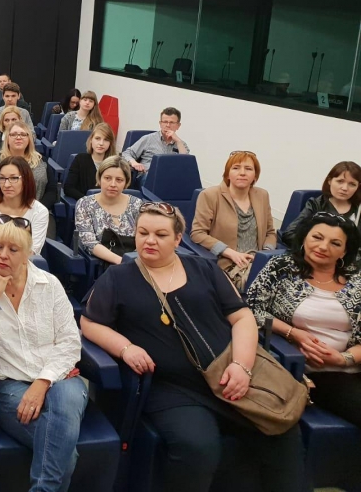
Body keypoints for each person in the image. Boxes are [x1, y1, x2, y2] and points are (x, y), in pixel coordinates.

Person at [81, 203, 304, 492]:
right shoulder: (118, 277)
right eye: (143, 233)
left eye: (161, 234)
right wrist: (125, 348)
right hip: (170, 387)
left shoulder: (204, 268)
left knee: (281, 429)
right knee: (198, 447)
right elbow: (90, 323)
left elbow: (242, 317)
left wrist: (241, 365)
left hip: (227, 373)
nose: (149, 240)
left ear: (178, 239)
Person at [0, 221, 87, 492]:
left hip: (58, 377)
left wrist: (43, 381)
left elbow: (70, 342)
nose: (2, 255)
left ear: (29, 253)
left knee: (67, 401)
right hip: (5, 383)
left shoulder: (49, 285)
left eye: (13, 249)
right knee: (64, 452)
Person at [246, 212, 361, 427]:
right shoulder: (282, 268)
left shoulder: (356, 280)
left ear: (344, 251)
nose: (323, 247)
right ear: (305, 237)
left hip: (352, 365)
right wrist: (293, 333)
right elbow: (251, 309)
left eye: (335, 243)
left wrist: (344, 358)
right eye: (317, 237)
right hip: (318, 373)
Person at [191, 151, 278, 287]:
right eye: (236, 168)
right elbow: (197, 233)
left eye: (248, 169)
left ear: (255, 176)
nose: (242, 173)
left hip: (258, 264)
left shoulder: (262, 195)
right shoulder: (210, 195)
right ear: (227, 174)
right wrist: (229, 252)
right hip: (228, 266)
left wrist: (265, 255)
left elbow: (270, 233)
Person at [74, 156, 142, 266]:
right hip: (105, 263)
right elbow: (89, 242)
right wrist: (123, 262)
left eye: (119, 180)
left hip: (136, 261)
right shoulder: (84, 204)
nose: (113, 184)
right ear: (99, 179)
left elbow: (144, 238)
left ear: (126, 182)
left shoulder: (137, 204)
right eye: (107, 178)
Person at [0, 156, 49, 254]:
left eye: (14, 178)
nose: (6, 185)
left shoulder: (40, 212)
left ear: (26, 180)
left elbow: (33, 251)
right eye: (2, 178)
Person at [281, 161, 361, 246]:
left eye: (352, 184)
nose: (345, 188)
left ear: (358, 187)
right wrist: (316, 246)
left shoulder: (359, 209)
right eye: (340, 181)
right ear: (330, 181)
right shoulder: (315, 204)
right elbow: (289, 234)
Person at [0, 124, 50, 206]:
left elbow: (52, 190)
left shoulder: (41, 160)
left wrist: (37, 208)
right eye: (13, 134)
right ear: (7, 139)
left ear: (29, 139)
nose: (18, 137)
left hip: (38, 209)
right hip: (4, 208)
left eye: (23, 134)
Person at [121, 107, 190, 180]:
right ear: (160, 124)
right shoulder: (148, 139)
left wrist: (178, 141)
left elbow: (186, 164)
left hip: (172, 177)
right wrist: (134, 163)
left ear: (178, 126)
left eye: (172, 122)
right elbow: (126, 153)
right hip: (149, 175)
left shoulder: (181, 144)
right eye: (165, 122)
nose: (168, 125)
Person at [64, 122, 117, 201]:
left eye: (106, 140)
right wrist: (88, 200)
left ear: (110, 143)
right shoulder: (80, 159)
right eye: (97, 138)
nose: (101, 143)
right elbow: (68, 188)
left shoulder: (116, 164)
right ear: (91, 140)